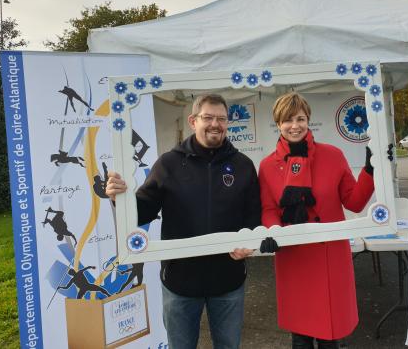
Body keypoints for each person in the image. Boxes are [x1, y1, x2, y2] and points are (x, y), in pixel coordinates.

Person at [106, 94, 261, 349]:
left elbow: (253, 215)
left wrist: (250, 241)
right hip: (180, 281)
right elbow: (142, 211)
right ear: (193, 121)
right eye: (208, 117)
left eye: (221, 119)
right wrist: (119, 199)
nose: (215, 124)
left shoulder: (243, 165)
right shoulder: (169, 163)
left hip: (228, 279)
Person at [258, 92, 375, 349]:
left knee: (329, 334)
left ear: (308, 119)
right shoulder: (267, 166)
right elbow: (269, 209)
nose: (294, 126)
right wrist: (275, 231)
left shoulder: (333, 155)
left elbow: (354, 202)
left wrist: (371, 169)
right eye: (287, 120)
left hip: (329, 257)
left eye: (300, 118)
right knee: (299, 336)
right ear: (278, 124)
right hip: (294, 257)